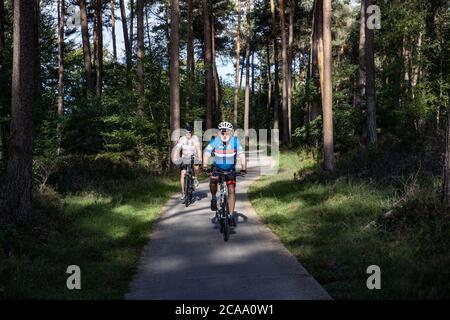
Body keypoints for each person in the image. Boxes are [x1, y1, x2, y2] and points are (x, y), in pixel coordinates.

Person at [203, 121, 247, 226]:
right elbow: (207, 153)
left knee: (231, 189)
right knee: (213, 181)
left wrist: (244, 167)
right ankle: (214, 198)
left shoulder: (235, 142)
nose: (224, 134)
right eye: (222, 132)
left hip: (230, 169)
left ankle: (231, 215)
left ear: (231, 133)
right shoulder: (215, 141)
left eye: (227, 132)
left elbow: (241, 155)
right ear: (219, 132)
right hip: (217, 168)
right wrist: (205, 165)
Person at [174, 123, 202, 201]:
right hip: (185, 158)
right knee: (183, 174)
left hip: (194, 156)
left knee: (196, 166)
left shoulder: (195, 138)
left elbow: (198, 149)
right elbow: (177, 149)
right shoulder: (182, 139)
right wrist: (176, 157)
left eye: (189, 132)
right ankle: (183, 192)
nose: (188, 134)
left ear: (191, 132)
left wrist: (199, 157)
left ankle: (195, 178)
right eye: (186, 132)